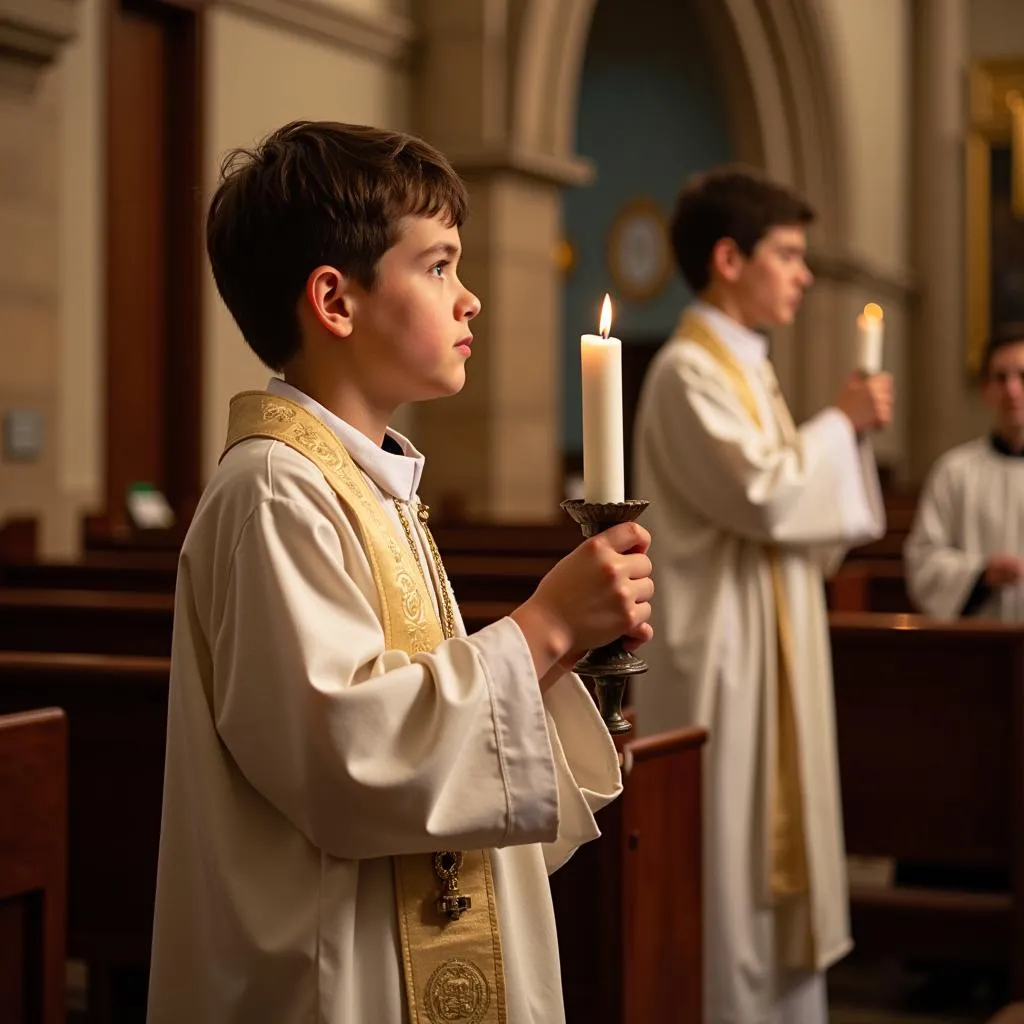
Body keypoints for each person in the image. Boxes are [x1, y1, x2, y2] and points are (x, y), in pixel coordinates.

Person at [146, 121, 655, 1024]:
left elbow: (407, 702)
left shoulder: (367, 479)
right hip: (331, 975)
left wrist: (557, 675)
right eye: (439, 266)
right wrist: (544, 628)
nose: (472, 301)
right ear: (336, 301)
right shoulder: (274, 493)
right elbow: (344, 756)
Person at [631, 167, 892, 1024]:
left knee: (768, 874)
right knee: (734, 865)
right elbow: (767, 494)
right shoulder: (685, 374)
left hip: (772, 649)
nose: (804, 275)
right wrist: (843, 424)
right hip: (725, 665)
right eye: (787, 255)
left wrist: (835, 434)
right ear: (728, 259)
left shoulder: (749, 370)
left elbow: (800, 517)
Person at [904, 323, 1024, 621]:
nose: (1012, 389)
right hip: (978, 646)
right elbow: (923, 561)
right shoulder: (954, 471)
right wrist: (982, 574)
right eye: (1000, 377)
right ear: (986, 390)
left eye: (1023, 376)